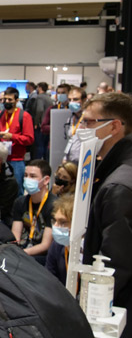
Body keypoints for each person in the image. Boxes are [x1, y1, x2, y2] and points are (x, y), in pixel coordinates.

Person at [81, 93, 132, 337]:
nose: (81, 128)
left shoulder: (118, 186)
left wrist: (93, 309)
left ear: (114, 126)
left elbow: (115, 262)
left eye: (89, 122)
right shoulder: (118, 171)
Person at [11, 159, 55, 263]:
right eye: (25, 175)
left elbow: (45, 245)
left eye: (33, 176)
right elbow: (15, 235)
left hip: (42, 256)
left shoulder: (53, 205)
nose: (27, 179)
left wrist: (23, 253)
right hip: (23, 250)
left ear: (46, 180)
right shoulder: (20, 202)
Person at [0, 87, 35, 193]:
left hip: (17, 159)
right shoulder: (0, 115)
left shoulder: (24, 116)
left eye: (10, 100)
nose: (6, 102)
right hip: (1, 159)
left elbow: (29, 139)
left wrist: (12, 136)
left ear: (16, 101)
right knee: (0, 189)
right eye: (4, 99)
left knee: (17, 189)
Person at [45, 194, 74, 285]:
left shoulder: (90, 250)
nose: (56, 226)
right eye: (55, 221)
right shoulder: (56, 245)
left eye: (63, 222)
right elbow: (49, 279)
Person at [63, 87, 87, 163]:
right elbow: (71, 140)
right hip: (71, 160)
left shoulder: (89, 119)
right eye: (70, 100)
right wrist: (65, 158)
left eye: (75, 99)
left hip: (85, 161)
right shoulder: (71, 118)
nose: (72, 102)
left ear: (84, 100)